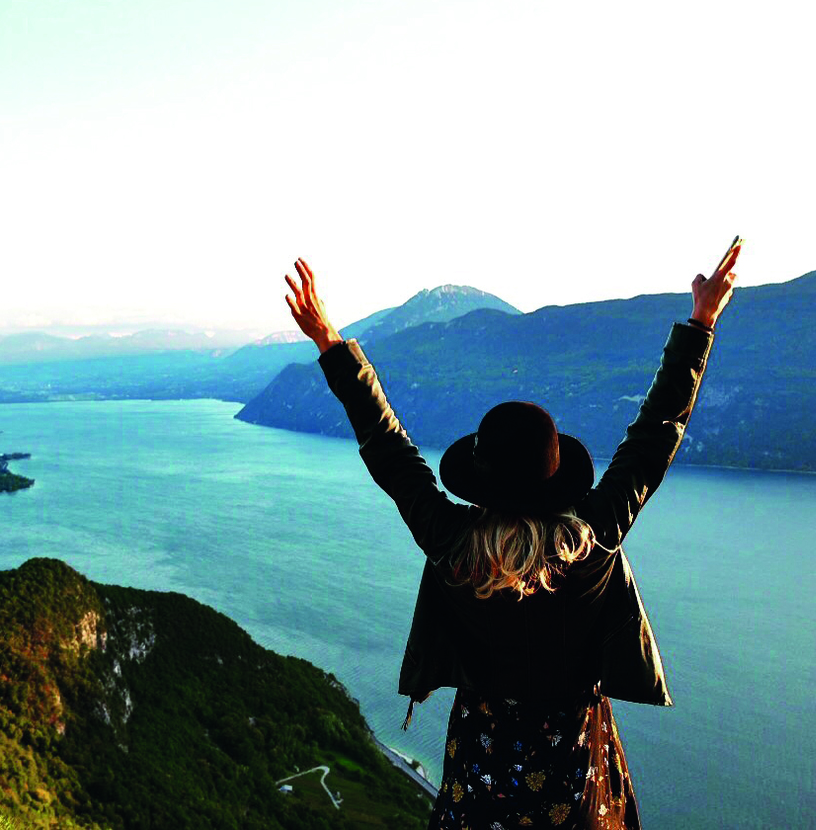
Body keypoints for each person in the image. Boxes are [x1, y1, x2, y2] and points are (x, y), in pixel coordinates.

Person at [283, 242, 739, 829]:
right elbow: (656, 434)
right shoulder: (592, 543)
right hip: (574, 773)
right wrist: (700, 323)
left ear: (481, 480)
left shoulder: (453, 546)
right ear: (554, 476)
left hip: (481, 767)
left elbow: (390, 449)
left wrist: (330, 343)